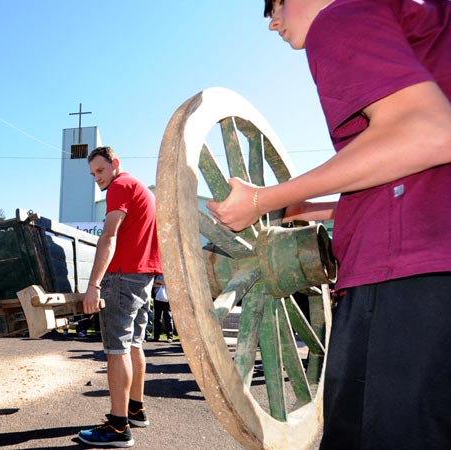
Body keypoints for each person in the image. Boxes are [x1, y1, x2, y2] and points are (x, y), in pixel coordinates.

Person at [208, 1, 451, 448]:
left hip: (404, 281)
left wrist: (263, 198)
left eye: (276, 3)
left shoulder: (342, 16)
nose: (273, 22)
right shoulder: (424, 22)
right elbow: (414, 167)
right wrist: (314, 208)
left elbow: (430, 133)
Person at [78, 146, 162, 448]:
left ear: (115, 164)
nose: (97, 178)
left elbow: (109, 236)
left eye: (100, 170)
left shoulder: (120, 186)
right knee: (134, 345)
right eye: (92, 174)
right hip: (143, 276)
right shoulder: (142, 190)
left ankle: (117, 427)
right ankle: (135, 409)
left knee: (116, 349)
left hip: (123, 276)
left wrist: (94, 285)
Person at [152, 275, 174, 343]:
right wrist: (161, 284)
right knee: (157, 317)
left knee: (168, 317)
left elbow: (168, 282)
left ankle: (169, 336)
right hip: (157, 298)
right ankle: (156, 336)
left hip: (167, 299)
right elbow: (152, 284)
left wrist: (158, 282)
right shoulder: (156, 275)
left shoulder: (169, 273)